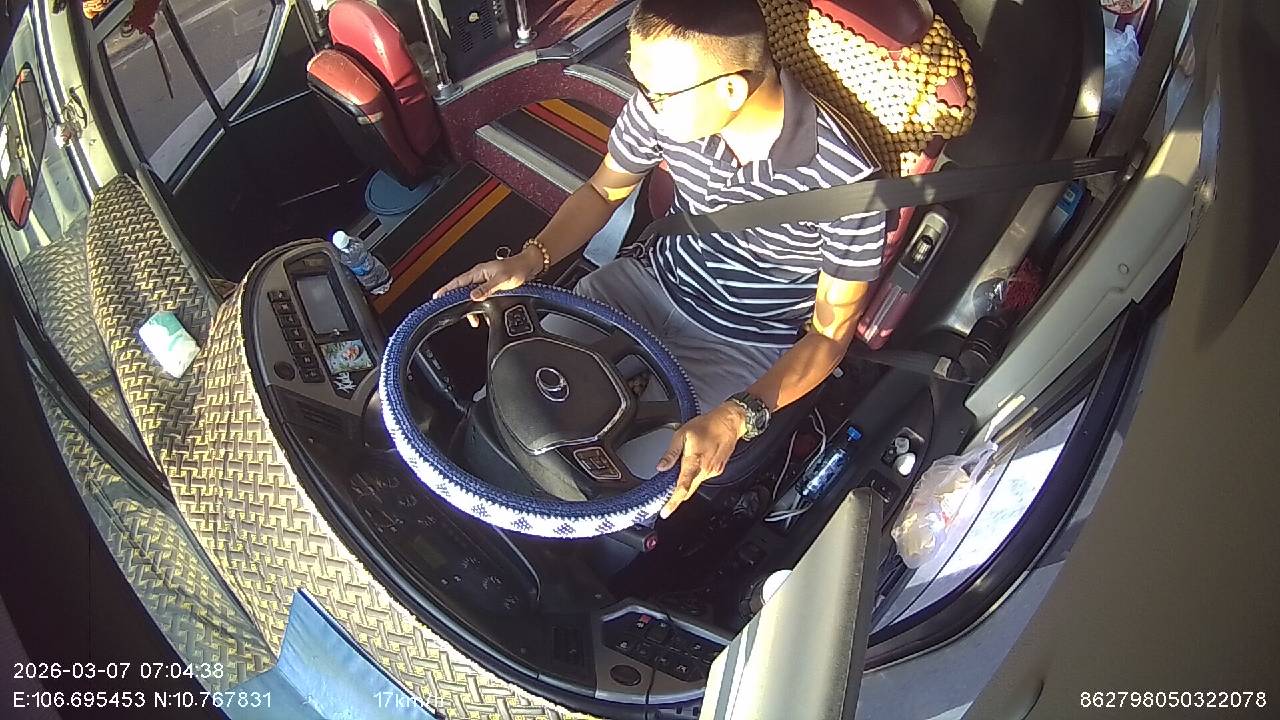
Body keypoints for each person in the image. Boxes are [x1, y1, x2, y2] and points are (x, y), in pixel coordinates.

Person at [435, 0, 885, 519]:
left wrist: (738, 415)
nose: (645, 102)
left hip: (740, 342)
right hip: (642, 284)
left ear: (731, 90)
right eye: (638, 79)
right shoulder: (663, 108)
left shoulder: (849, 185)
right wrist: (529, 259)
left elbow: (828, 336)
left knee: (621, 490)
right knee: (510, 391)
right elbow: (603, 191)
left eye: (659, 93)